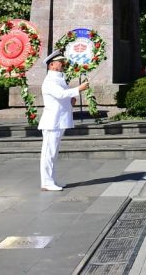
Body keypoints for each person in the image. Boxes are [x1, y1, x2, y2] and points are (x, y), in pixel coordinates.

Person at [38, 49, 89, 191]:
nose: (63, 64)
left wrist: (70, 102)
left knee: (53, 153)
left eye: (62, 61)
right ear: (51, 65)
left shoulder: (58, 79)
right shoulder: (50, 80)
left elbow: (61, 98)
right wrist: (79, 89)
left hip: (59, 120)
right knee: (48, 153)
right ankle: (46, 182)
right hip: (52, 121)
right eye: (60, 62)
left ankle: (51, 180)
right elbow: (60, 94)